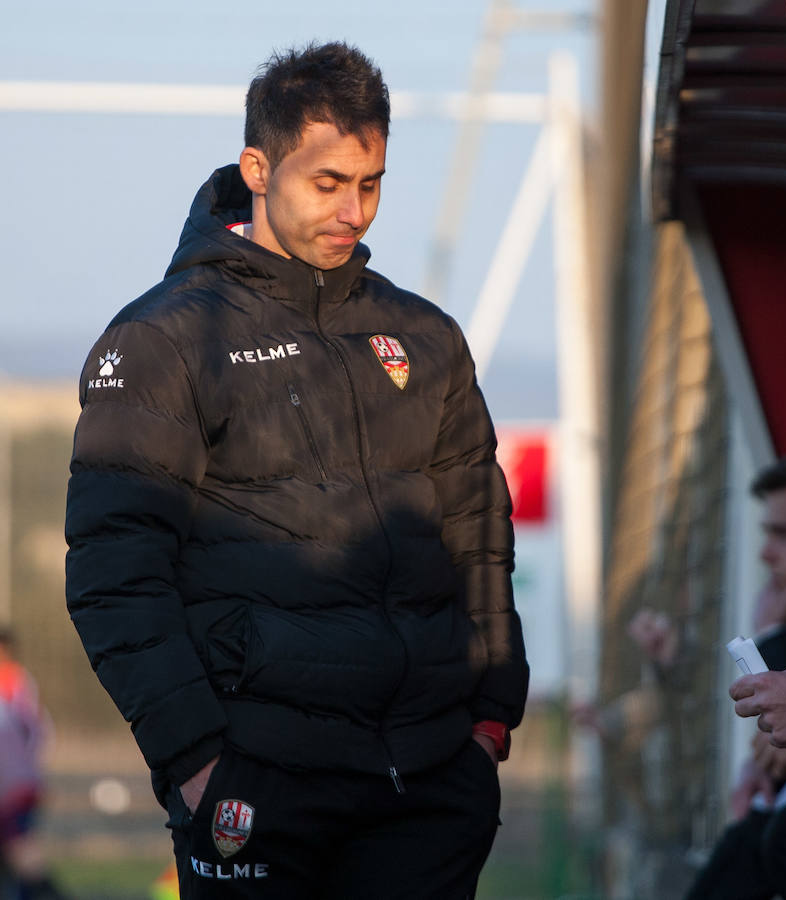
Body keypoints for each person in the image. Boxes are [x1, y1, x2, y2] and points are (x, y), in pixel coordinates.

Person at [64, 42, 529, 900]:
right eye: (328, 183)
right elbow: (113, 576)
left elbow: (479, 534)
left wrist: (489, 724)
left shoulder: (426, 338)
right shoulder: (164, 339)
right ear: (258, 167)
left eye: (372, 182)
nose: (354, 210)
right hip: (256, 785)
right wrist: (197, 762)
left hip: (430, 785)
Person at [681, 449, 786, 900]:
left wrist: (773, 635)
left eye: (785, 534)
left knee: (785, 835)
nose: (766, 553)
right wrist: (768, 764)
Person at [0, 629, 67, 900]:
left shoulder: (15, 684)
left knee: (21, 850)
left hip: (14, 787)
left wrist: (28, 771)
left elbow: (36, 732)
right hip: (16, 783)